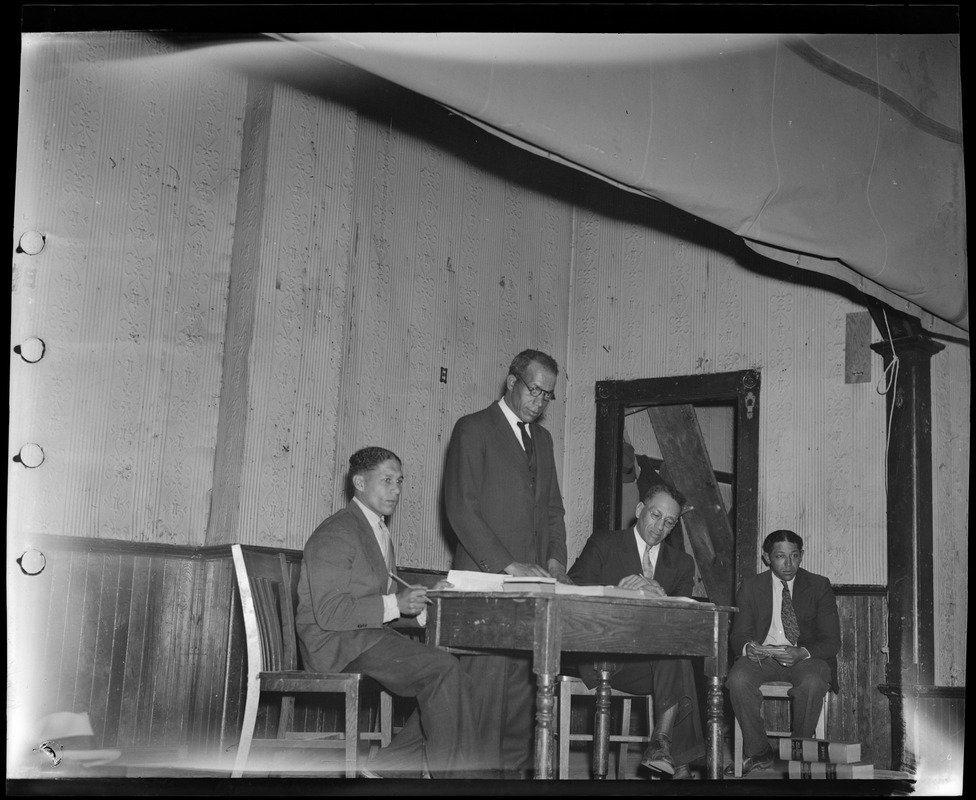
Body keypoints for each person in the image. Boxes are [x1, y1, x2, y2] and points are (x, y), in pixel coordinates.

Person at [295, 446, 492, 779]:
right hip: (336, 647)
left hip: (364, 638)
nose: (397, 490)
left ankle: (388, 767)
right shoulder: (337, 532)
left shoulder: (375, 529)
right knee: (443, 669)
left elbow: (380, 602)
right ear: (359, 481)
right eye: (387, 480)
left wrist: (421, 606)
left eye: (399, 481)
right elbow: (330, 613)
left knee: (460, 676)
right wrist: (395, 604)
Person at [443, 348, 571, 777]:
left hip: (533, 587)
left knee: (523, 691)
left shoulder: (545, 441)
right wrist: (507, 565)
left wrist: (555, 559)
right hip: (486, 582)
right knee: (484, 691)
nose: (539, 401)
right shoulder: (473, 428)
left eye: (548, 395)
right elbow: (461, 508)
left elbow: (553, 510)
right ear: (511, 381)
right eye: (534, 389)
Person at [568, 483, 705, 780]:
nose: (660, 527)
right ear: (640, 510)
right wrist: (616, 591)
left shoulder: (682, 563)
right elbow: (572, 590)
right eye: (655, 515)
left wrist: (661, 596)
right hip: (606, 654)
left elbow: (683, 621)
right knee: (676, 661)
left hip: (652, 664)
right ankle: (680, 765)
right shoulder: (604, 543)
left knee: (674, 653)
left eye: (669, 522)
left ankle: (661, 744)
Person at [724, 529, 841, 776]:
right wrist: (750, 649)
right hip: (762, 658)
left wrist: (802, 652)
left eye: (794, 556)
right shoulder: (751, 586)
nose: (788, 563)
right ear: (767, 558)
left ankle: (796, 752)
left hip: (805, 659)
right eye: (780, 556)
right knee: (737, 679)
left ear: (801, 556)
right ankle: (758, 752)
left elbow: (832, 642)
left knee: (813, 680)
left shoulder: (819, 586)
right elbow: (738, 635)